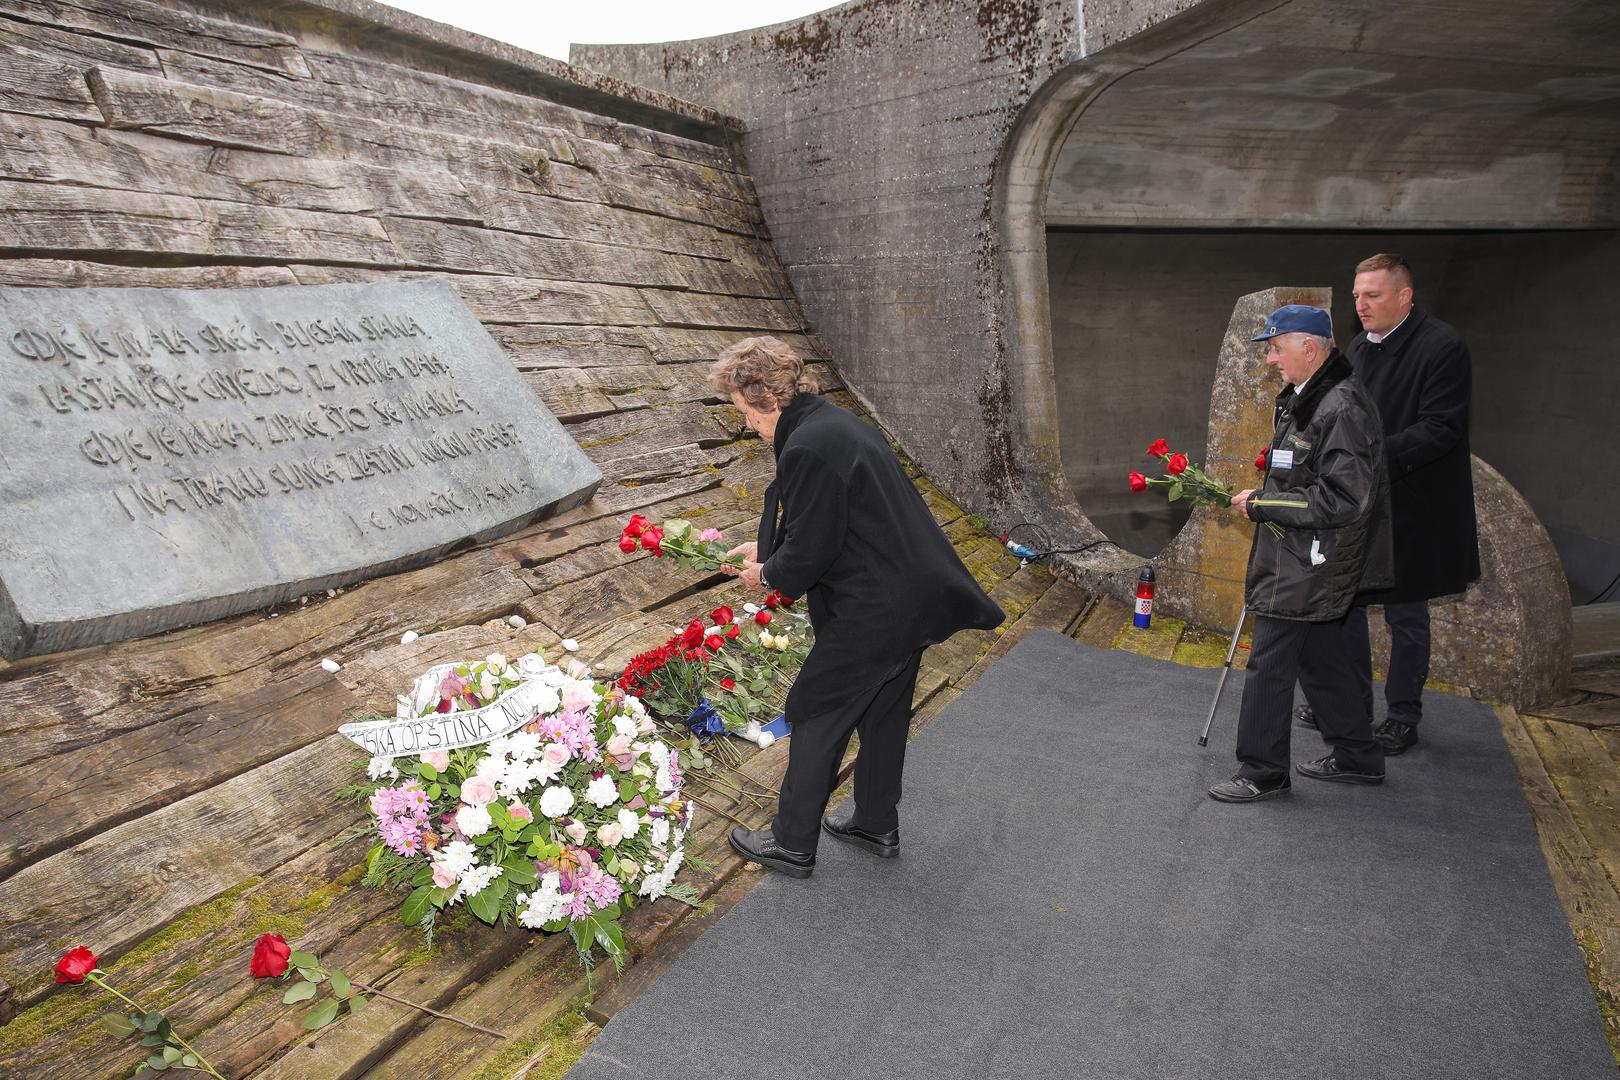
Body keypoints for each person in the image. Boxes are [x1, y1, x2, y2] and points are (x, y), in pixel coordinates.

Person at [706, 336, 1004, 875]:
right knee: (884, 713)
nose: (747, 424)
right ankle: (873, 821)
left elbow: (812, 549)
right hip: (908, 599)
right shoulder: (835, 426)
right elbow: (832, 518)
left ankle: (792, 842)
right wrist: (767, 549)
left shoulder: (808, 446)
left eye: (744, 412)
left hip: (875, 610)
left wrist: (767, 572)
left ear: (766, 398)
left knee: (817, 711)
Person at [1208, 304, 1394, 803]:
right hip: (1306, 556)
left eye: (1275, 348)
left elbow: (1345, 498)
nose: (1270, 359)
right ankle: (1358, 755)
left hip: (1310, 561)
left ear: (1309, 348)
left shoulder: (1338, 406)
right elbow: (1310, 479)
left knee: (1269, 663)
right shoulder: (1310, 398)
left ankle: (1263, 770)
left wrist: (1263, 502)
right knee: (1321, 658)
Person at [1295, 255, 1479, 755]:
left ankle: (1402, 715)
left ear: (1405, 295)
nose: (1361, 304)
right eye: (1357, 295)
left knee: (1407, 615)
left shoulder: (1442, 347)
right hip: (1363, 504)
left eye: (1372, 295)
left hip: (1417, 508)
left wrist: (1366, 458)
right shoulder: (1357, 347)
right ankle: (1349, 706)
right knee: (1346, 605)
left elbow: (1441, 428)